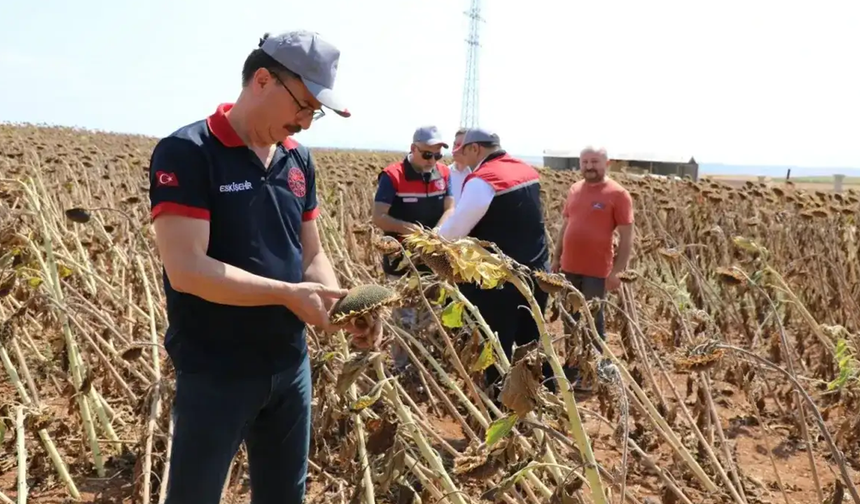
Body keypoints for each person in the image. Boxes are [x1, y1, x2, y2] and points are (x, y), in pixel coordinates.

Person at [148, 30, 370, 504]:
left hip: (289, 365)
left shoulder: (297, 159)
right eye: (304, 105)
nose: (307, 122)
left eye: (316, 113)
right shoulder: (189, 152)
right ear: (263, 80)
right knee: (195, 495)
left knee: (284, 495)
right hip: (216, 368)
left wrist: (336, 303)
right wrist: (288, 294)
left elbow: (311, 253)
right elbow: (187, 268)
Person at [437, 128, 554, 396]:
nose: (460, 155)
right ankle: (538, 403)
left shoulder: (484, 179)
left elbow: (455, 231)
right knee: (531, 346)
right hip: (535, 274)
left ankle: (500, 412)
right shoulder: (526, 170)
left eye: (463, 149)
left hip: (499, 283)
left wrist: (433, 241)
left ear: (475, 149)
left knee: (496, 350)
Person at [550, 145, 634, 390]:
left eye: (594, 162)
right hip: (569, 267)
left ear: (606, 164)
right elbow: (565, 226)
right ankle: (574, 366)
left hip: (597, 271)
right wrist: (556, 258)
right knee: (569, 318)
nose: (589, 166)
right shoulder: (575, 189)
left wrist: (618, 271)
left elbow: (628, 237)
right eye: (585, 162)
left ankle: (595, 371)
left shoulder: (618, 194)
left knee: (592, 320)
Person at [372, 125, 454, 367]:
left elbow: (450, 208)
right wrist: (415, 232)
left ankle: (428, 364)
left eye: (437, 155)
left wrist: (437, 232)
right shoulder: (392, 176)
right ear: (413, 149)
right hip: (400, 256)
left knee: (432, 312)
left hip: (432, 255)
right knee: (404, 315)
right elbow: (379, 217)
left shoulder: (444, 174)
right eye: (427, 154)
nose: (432, 161)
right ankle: (402, 366)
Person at [448, 128, 472, 205]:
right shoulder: (445, 173)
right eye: (454, 144)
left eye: (459, 145)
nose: (455, 149)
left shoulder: (478, 176)